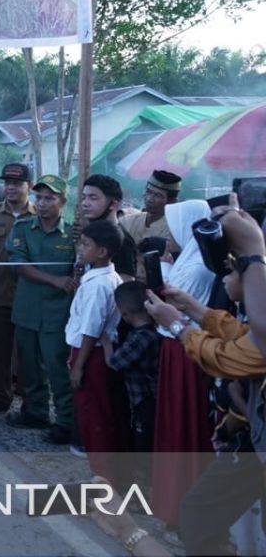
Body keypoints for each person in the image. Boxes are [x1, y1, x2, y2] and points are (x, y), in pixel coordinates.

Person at [144, 264, 266, 556]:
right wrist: (190, 306)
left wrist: (178, 325)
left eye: (234, 270)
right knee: (199, 512)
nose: (223, 277)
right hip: (253, 441)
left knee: (199, 513)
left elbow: (227, 358)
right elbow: (241, 335)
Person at [149, 198, 217, 529]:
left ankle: (181, 505)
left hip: (184, 350)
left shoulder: (196, 267)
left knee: (182, 424)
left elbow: (168, 312)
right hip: (178, 347)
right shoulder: (189, 259)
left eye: (171, 224)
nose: (167, 232)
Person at [6, 174, 77, 444]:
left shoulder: (72, 234)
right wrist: (54, 280)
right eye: (39, 197)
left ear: (63, 202)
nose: (43, 203)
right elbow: (17, 264)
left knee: (56, 368)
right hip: (26, 308)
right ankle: (35, 412)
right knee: (29, 367)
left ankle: (65, 421)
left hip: (57, 313)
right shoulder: (23, 228)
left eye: (50, 198)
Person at [68, 220, 129, 483]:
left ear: (102, 251)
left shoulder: (97, 285)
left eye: (86, 244)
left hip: (88, 354)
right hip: (93, 352)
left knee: (94, 418)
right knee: (101, 414)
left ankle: (103, 479)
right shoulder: (106, 277)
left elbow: (91, 330)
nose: (81, 248)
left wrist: (78, 365)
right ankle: (105, 477)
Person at [0, 163, 35, 415]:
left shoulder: (39, 216)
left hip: (28, 296)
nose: (10, 188)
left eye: (17, 183)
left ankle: (29, 400)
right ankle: (0, 396)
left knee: (27, 353)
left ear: (28, 187)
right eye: (7, 183)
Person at [101, 281, 161, 455]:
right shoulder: (153, 331)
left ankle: (145, 479)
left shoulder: (141, 338)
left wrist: (106, 343)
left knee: (144, 442)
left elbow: (115, 362)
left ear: (125, 314)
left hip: (145, 399)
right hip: (145, 398)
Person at [77, 174, 137, 278]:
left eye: (93, 198)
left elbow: (125, 282)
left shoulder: (123, 241)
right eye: (84, 197)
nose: (85, 203)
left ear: (113, 204)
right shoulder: (91, 234)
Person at [122, 170, 180, 245]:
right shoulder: (127, 221)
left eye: (158, 195)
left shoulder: (173, 233)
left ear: (172, 201)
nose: (149, 199)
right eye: (148, 191)